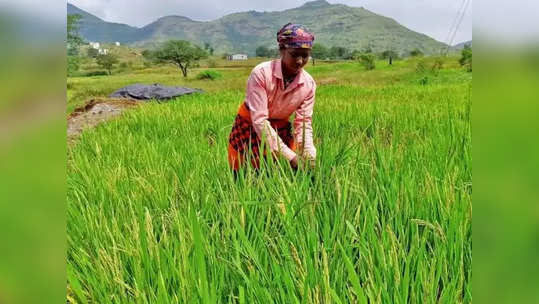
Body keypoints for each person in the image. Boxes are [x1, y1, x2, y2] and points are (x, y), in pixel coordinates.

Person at [228, 23, 317, 177]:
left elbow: (303, 123)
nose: (300, 61)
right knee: (243, 174)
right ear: (282, 50)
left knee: (275, 174)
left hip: (279, 129)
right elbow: (260, 121)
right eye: (295, 54)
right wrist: (291, 157)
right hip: (249, 125)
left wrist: (309, 153)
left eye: (305, 55)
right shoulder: (262, 73)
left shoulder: (308, 84)